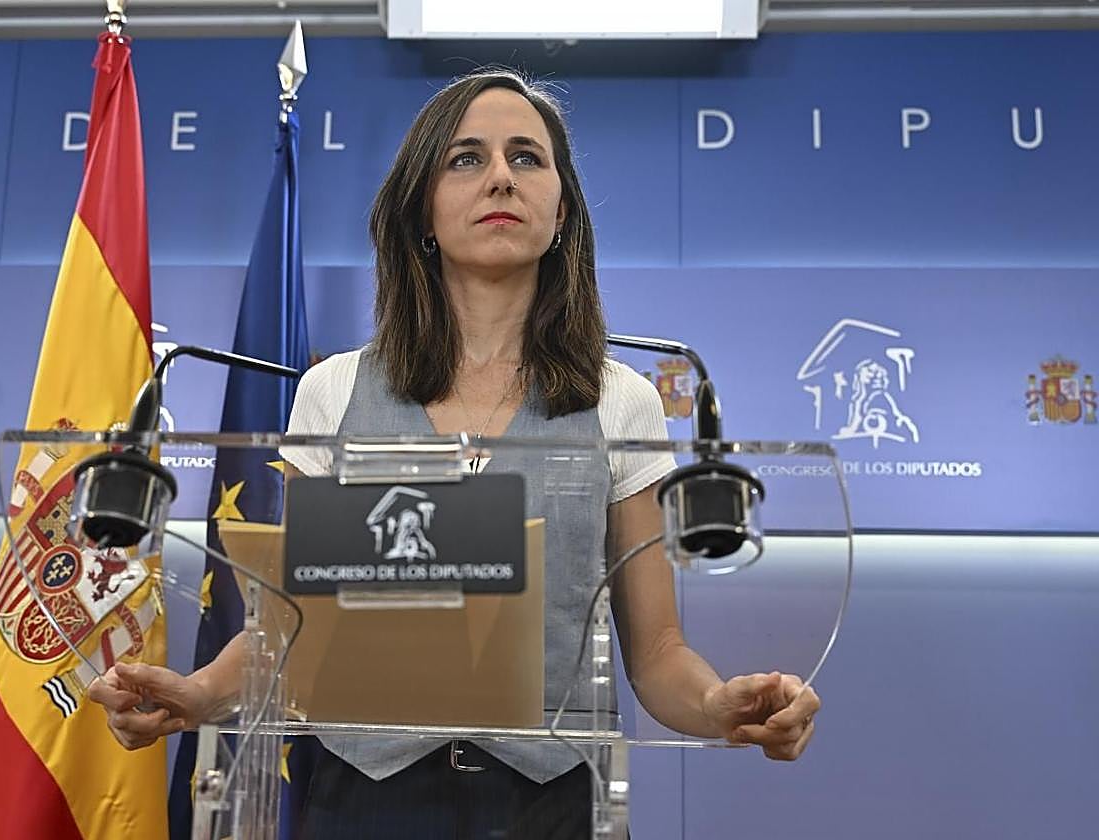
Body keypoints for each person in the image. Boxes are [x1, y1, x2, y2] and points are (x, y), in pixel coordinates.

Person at [89, 69, 821, 838]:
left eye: (527, 158)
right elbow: (287, 630)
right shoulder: (332, 392)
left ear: (562, 210)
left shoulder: (623, 401)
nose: (501, 176)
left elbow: (659, 649)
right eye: (466, 159)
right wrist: (199, 694)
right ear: (423, 211)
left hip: (557, 806)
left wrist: (715, 706)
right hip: (363, 803)